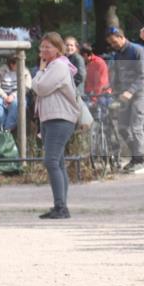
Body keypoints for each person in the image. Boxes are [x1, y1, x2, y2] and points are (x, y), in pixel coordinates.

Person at [32, 33, 81, 219]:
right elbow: (37, 86)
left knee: (51, 161)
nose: (44, 50)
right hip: (49, 118)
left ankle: (61, 207)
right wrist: (41, 73)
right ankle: (60, 206)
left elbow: (40, 87)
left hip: (60, 118)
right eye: (42, 47)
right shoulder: (50, 66)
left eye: (48, 47)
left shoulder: (59, 66)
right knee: (58, 163)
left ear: (58, 49)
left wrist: (40, 72)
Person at [106, 26, 144, 173]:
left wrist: (130, 92)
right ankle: (137, 157)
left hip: (141, 94)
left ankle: (139, 160)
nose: (113, 45)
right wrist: (111, 87)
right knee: (123, 128)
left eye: (114, 42)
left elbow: (143, 76)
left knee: (136, 126)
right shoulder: (118, 54)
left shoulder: (137, 50)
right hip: (125, 96)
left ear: (121, 37)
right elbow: (118, 76)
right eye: (110, 44)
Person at [0, 55, 32, 131]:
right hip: (2, 95)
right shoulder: (1, 71)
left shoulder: (25, 71)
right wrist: (4, 96)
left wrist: (13, 95)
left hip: (18, 95)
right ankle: (3, 127)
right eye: (16, 64)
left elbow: (27, 87)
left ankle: (7, 130)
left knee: (17, 103)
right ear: (11, 64)